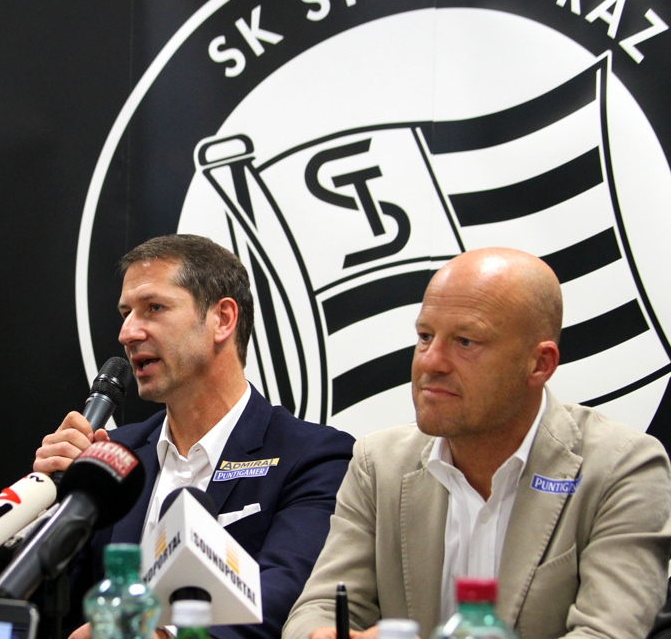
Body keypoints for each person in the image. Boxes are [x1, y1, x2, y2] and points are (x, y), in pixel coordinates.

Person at [282, 248, 671, 639]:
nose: (430, 362)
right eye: (424, 336)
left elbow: (607, 634)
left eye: (465, 342)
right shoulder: (378, 464)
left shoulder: (622, 467)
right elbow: (316, 610)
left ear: (540, 364)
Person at [34, 234, 354, 639]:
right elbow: (51, 600)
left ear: (222, 319)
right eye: (125, 313)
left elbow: (283, 596)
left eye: (153, 308)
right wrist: (53, 502)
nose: (127, 333)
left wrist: (161, 634)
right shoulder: (113, 455)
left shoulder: (314, 456)